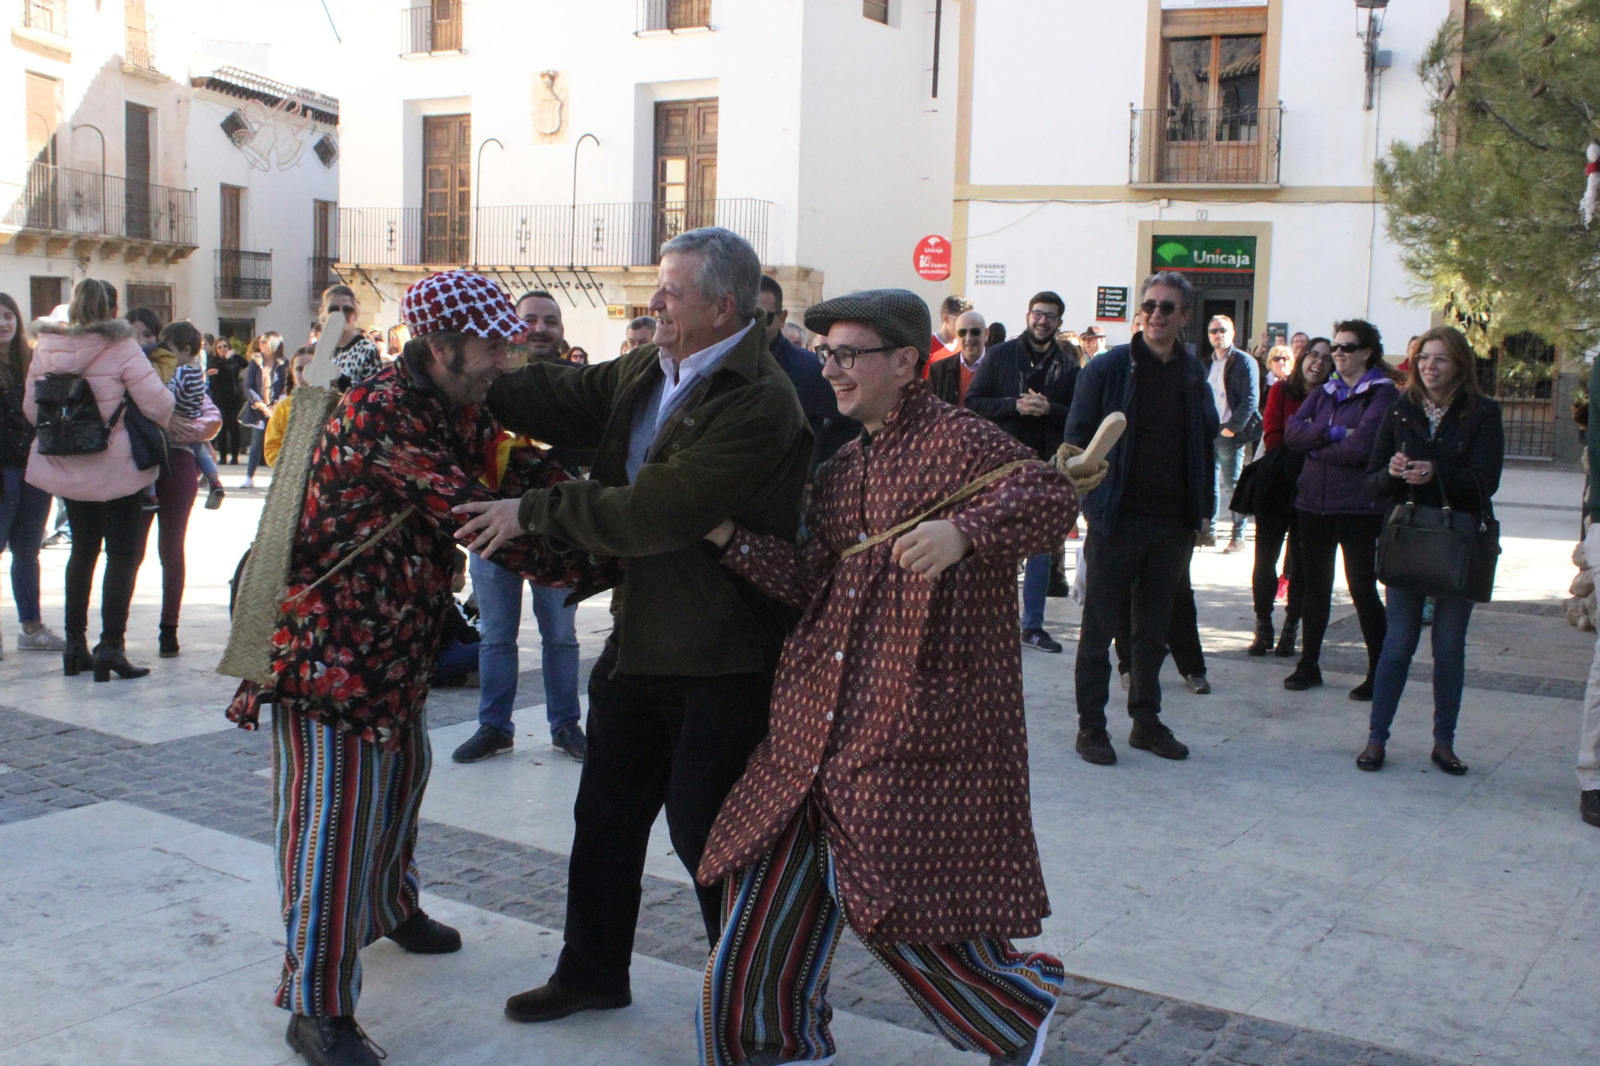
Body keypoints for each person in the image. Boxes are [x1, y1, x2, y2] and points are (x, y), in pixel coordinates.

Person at [694, 288, 1082, 1066]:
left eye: (848, 355)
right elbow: (813, 580)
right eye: (826, 354)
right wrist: (727, 536)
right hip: (813, 723)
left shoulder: (965, 441)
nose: (831, 370)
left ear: (906, 363)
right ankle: (769, 1047)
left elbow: (1051, 495)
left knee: (894, 903)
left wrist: (964, 533)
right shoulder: (842, 470)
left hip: (909, 716)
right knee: (758, 915)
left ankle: (1014, 1005)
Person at [226, 271, 604, 1066]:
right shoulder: (382, 418)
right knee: (330, 825)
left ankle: (392, 906)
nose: (507, 360)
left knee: (398, 785)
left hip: (396, 645)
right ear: (441, 346)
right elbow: (475, 514)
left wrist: (612, 502)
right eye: (493, 346)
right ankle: (315, 1005)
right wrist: (614, 554)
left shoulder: (456, 407)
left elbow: (517, 472)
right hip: (328, 656)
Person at [458, 227, 810, 1026]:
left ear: (724, 307)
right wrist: (476, 372)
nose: (655, 304)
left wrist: (531, 511)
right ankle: (591, 973)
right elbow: (563, 396)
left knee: (709, 835)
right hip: (643, 637)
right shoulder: (654, 366)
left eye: (672, 292)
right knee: (605, 818)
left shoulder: (761, 401)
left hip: (723, 654)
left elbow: (660, 511)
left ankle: (756, 1000)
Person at [1064, 271, 1218, 766]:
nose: (1156, 314)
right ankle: (1092, 728)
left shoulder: (1193, 374)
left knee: (1152, 632)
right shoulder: (1108, 369)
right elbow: (1076, 441)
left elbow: (1203, 442)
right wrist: (1093, 504)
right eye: (1149, 305)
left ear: (1184, 317)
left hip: (1172, 523)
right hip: (1116, 520)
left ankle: (1145, 723)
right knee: (1099, 628)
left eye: (1167, 307)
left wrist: (1202, 511)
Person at [451, 290, 589, 766]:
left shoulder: (578, 384)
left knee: (561, 636)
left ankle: (566, 724)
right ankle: (494, 727)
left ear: (561, 330)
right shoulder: (485, 384)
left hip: (556, 528)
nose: (541, 328)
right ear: (511, 326)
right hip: (492, 525)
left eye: (551, 320)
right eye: (531, 319)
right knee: (495, 635)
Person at [1359, 326, 1503, 774]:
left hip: (1459, 542)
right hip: (1409, 537)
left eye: (1439, 359)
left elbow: (1487, 481)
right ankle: (1376, 738)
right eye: (1423, 358)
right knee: (1397, 643)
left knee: (1448, 647)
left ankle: (1444, 743)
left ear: (1460, 364)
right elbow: (1372, 482)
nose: (1429, 366)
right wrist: (1395, 471)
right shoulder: (1400, 410)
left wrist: (1436, 472)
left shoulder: (1483, 413)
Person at [23, 279, 173, 681]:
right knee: (122, 555)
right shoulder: (121, 346)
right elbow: (159, 403)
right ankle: (111, 648)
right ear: (112, 311)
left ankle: (74, 647)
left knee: (83, 551)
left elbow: (30, 408)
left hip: (70, 464)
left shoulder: (47, 348)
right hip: (118, 466)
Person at [1283, 319, 1399, 699]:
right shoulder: (1325, 391)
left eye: (1346, 347)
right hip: (1312, 503)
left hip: (1357, 507)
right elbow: (1291, 432)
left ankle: (1379, 670)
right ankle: (1308, 664)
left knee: (1362, 588)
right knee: (1314, 587)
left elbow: (1364, 447)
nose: (1338, 354)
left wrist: (1314, 446)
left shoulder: (1381, 394)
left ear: (1367, 352)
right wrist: (1330, 435)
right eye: (1335, 347)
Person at [966, 290, 1079, 654]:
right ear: (1028, 316)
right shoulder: (1000, 356)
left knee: (1041, 547)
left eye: (1050, 316)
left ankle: (1032, 626)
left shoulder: (1069, 365)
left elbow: (1078, 417)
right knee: (995, 542)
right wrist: (1014, 405)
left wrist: (1049, 410)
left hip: (1046, 465)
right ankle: (986, 623)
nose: (1042, 320)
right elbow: (975, 403)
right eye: (1037, 313)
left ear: (1059, 323)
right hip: (1002, 463)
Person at [146, 319, 223, 657]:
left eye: (150, 336)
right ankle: (115, 636)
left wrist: (184, 424)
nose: (149, 345)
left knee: (171, 550)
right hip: (146, 459)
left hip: (173, 460)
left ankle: (168, 629)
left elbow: (211, 416)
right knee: (131, 554)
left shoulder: (177, 373)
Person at [1250, 338, 1331, 658]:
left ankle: (1290, 630)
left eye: (1327, 358)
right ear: (1303, 357)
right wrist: (1317, 437)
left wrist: (1306, 436)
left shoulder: (1333, 399)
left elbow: (1332, 443)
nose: (1320, 362)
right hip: (1277, 484)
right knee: (1265, 559)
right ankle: (1262, 625)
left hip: (1313, 488)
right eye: (1314, 354)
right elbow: (1273, 437)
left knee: (1299, 563)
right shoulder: (1281, 391)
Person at [0, 292, 65, 657]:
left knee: (28, 550)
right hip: (3, 469)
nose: (3, 323)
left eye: (8, 315)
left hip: (34, 467)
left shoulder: (32, 360)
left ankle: (31, 627)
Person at [759, 274, 859, 474]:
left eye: (764, 317)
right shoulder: (714, 358)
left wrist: (812, 460)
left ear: (782, 319)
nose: (754, 325)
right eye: (745, 317)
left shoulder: (807, 369)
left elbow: (852, 420)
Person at [1204, 315, 1261, 554]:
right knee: (1209, 484)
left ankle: (1238, 537)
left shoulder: (1244, 361)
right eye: (1214, 331)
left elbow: (1250, 399)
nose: (1218, 334)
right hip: (1209, 429)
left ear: (1233, 333)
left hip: (1229, 430)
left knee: (1232, 485)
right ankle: (1209, 533)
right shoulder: (1206, 363)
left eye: (1223, 330)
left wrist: (1232, 428)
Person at [160, 321, 226, 509]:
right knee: (200, 450)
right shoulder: (198, 371)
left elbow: (171, 392)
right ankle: (214, 480)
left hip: (179, 415)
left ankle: (149, 494)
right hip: (193, 415)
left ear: (186, 350)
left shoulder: (182, 372)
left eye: (170, 349)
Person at [240, 335, 285, 488]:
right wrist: (258, 403)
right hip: (259, 409)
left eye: (265, 342)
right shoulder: (255, 362)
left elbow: (286, 384)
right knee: (257, 442)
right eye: (260, 342)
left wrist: (277, 404)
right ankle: (249, 476)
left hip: (277, 408)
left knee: (279, 442)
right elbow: (249, 386)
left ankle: (279, 477)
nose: (261, 345)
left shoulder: (283, 363)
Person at [320, 285, 384, 385]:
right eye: (333, 309)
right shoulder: (320, 351)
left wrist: (341, 381)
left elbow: (374, 393)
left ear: (356, 314)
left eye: (348, 310)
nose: (341, 314)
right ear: (324, 315)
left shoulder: (367, 349)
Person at [927, 307, 985, 405]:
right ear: (957, 336)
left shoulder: (1001, 368)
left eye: (975, 332)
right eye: (962, 332)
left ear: (986, 334)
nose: (968, 338)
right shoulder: (938, 370)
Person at [207, 336, 246, 465]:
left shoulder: (233, 360)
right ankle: (223, 456)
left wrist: (235, 355)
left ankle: (235, 456)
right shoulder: (214, 360)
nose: (223, 349)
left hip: (234, 397)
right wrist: (225, 358)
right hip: (219, 397)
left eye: (225, 346)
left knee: (234, 426)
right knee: (221, 427)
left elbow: (245, 363)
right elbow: (215, 370)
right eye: (219, 347)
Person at [927, 294, 970, 369]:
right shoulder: (927, 346)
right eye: (961, 320)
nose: (966, 326)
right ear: (946, 319)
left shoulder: (966, 347)